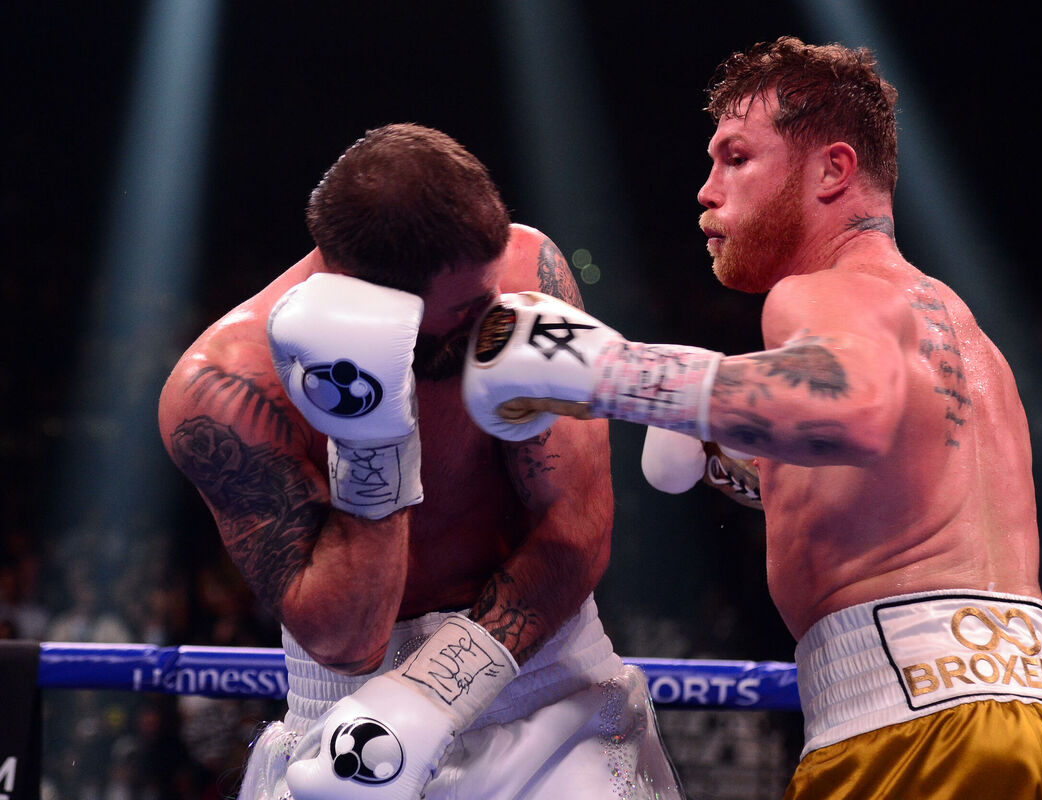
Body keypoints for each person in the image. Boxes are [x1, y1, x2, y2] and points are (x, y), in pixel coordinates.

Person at [460, 37, 1042, 798]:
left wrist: (610, 370)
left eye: (737, 158)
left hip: (923, 739)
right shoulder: (962, 333)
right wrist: (720, 449)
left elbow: (852, 413)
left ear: (832, 170)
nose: (706, 191)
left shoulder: (820, 293)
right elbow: (868, 476)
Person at [158, 123, 681, 800]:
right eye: (467, 309)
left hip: (550, 684)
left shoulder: (527, 271)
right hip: (346, 713)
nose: (495, 319)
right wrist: (372, 443)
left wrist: (433, 693)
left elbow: (575, 530)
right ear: (378, 301)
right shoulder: (229, 386)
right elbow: (346, 640)